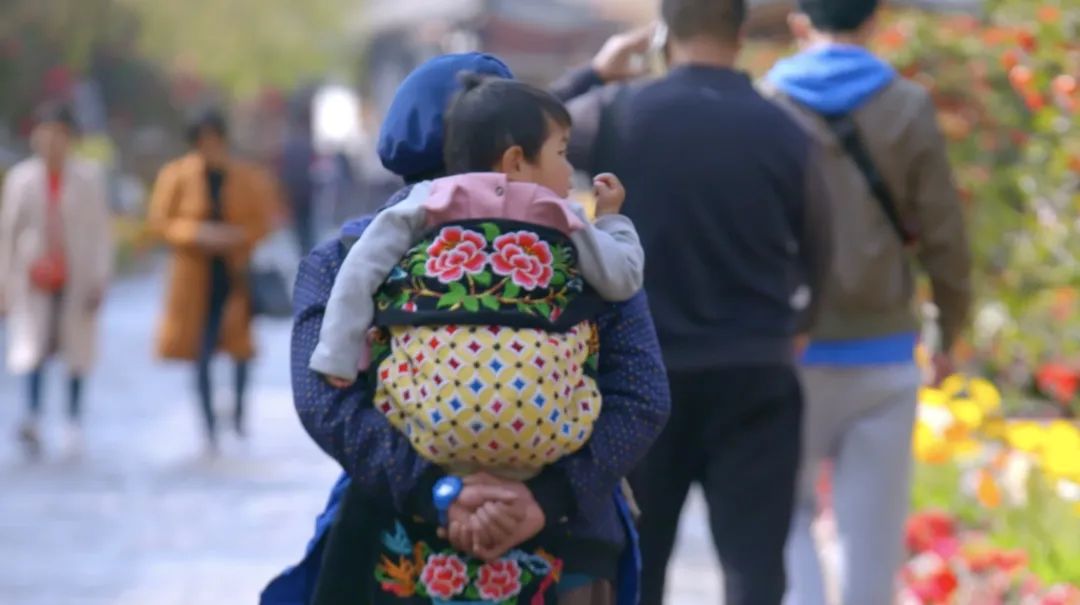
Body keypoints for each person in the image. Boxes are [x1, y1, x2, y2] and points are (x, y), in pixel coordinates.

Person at [266, 52, 670, 605]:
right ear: (515, 153)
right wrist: (544, 499)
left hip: (395, 542)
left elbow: (324, 398)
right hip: (566, 545)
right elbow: (642, 396)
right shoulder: (580, 248)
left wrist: (437, 490)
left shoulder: (345, 256)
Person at [560, 1, 835, 602]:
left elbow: (506, 132)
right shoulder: (788, 128)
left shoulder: (615, 113)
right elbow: (820, 249)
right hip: (755, 366)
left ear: (662, 34)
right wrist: (795, 325)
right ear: (740, 33)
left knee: (638, 557)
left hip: (640, 375)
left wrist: (593, 76)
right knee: (754, 563)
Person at [309, 76, 643, 495]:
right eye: (562, 154)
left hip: (426, 426)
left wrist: (337, 355)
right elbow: (623, 278)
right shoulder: (560, 214)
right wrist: (612, 220)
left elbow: (359, 272)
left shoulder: (426, 202)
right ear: (516, 161)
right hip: (549, 433)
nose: (570, 170)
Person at [758, 1, 972, 603]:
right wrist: (947, 331)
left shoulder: (766, 102)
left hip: (788, 346)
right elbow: (944, 237)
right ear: (875, 18)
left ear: (801, 22)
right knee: (870, 537)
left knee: (788, 516)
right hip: (882, 350)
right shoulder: (907, 104)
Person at [148, 110, 277, 454]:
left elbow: (263, 221)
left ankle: (238, 416)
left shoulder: (245, 176)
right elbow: (161, 222)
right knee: (201, 351)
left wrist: (234, 237)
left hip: (235, 275)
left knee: (240, 349)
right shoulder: (176, 175)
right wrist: (197, 234)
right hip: (195, 278)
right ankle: (208, 424)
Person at [0, 103, 114, 458]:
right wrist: (4, 282)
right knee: (31, 351)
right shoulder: (22, 179)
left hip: (75, 276)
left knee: (76, 352)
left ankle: (73, 419)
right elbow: (8, 233)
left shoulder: (88, 177)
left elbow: (100, 232)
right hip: (34, 278)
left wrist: (99, 278)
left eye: (59, 134)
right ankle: (32, 416)